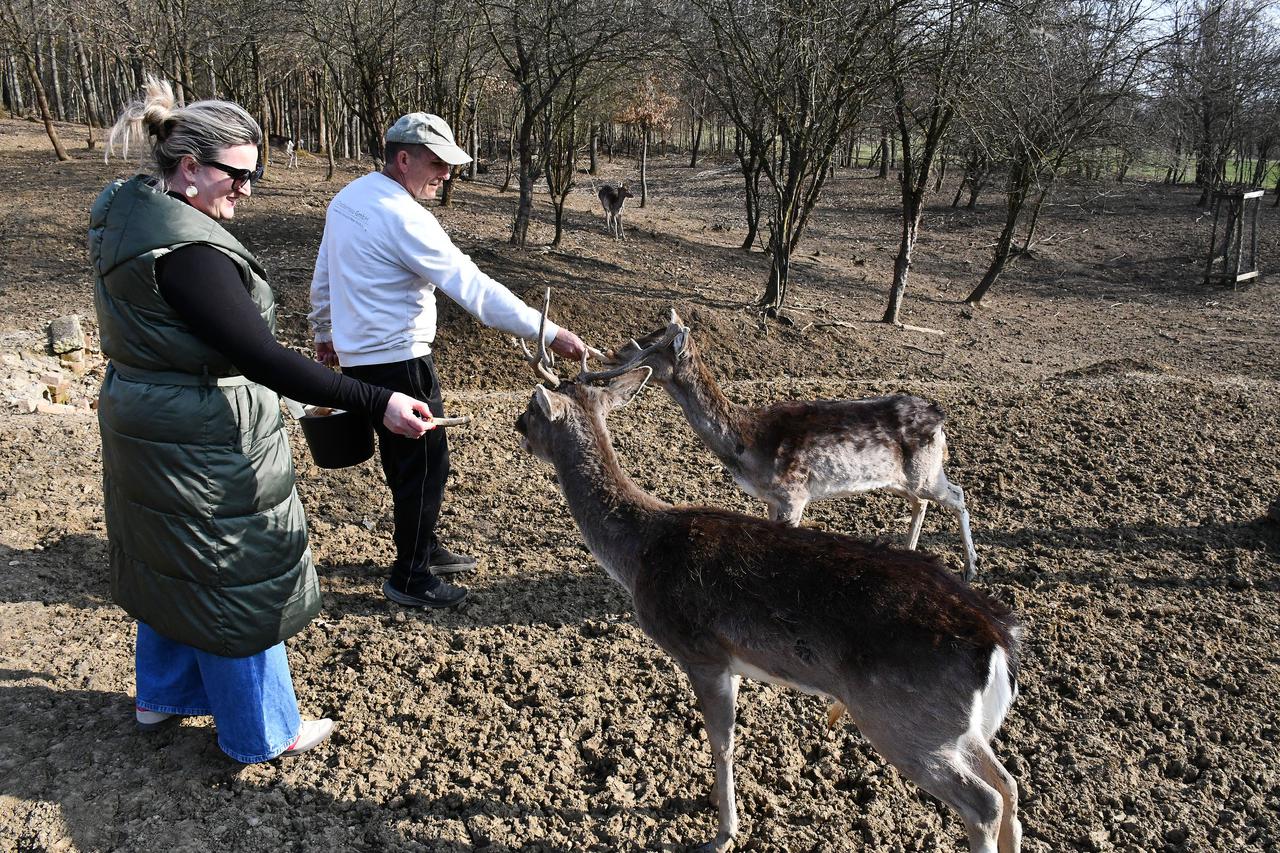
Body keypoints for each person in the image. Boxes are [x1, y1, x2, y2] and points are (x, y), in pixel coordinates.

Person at [91, 78, 437, 763]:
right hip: (199, 436)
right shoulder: (189, 254)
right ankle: (263, 728)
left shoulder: (128, 216)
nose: (247, 190)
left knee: (171, 556)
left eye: (255, 174)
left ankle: (162, 692)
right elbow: (259, 356)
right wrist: (378, 400)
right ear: (189, 167)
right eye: (238, 174)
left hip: (145, 418)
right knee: (232, 569)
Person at [309, 112, 589, 609]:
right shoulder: (404, 218)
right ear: (403, 159)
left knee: (405, 464)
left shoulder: (349, 198)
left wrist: (325, 329)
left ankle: (423, 545)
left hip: (360, 362)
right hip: (401, 362)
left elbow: (325, 269)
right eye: (438, 164)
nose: (446, 175)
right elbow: (472, 287)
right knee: (425, 467)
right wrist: (549, 332)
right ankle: (412, 577)